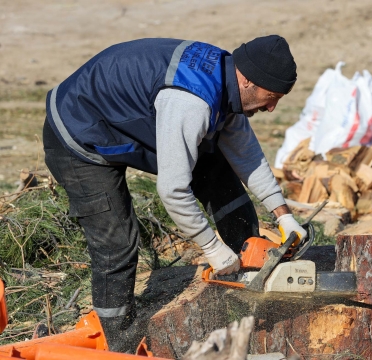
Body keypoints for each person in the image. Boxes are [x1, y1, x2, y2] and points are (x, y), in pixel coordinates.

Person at [42, 36, 307, 352]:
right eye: (271, 96)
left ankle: (248, 269)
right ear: (248, 79)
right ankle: (122, 341)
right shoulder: (191, 102)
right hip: (77, 133)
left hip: (131, 116)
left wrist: (284, 215)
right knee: (116, 239)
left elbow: (247, 155)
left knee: (217, 170)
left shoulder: (230, 82)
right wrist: (211, 248)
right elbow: (172, 190)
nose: (272, 107)